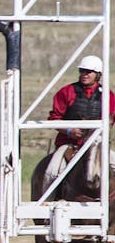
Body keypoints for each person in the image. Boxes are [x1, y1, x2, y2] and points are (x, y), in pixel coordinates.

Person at [43, 54, 115, 188]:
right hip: (69, 144)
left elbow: (111, 120)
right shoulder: (66, 92)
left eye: (89, 72)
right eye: (82, 71)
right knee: (51, 172)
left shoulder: (107, 95)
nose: (84, 74)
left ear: (98, 74)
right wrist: (69, 131)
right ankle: (46, 202)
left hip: (97, 146)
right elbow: (54, 119)